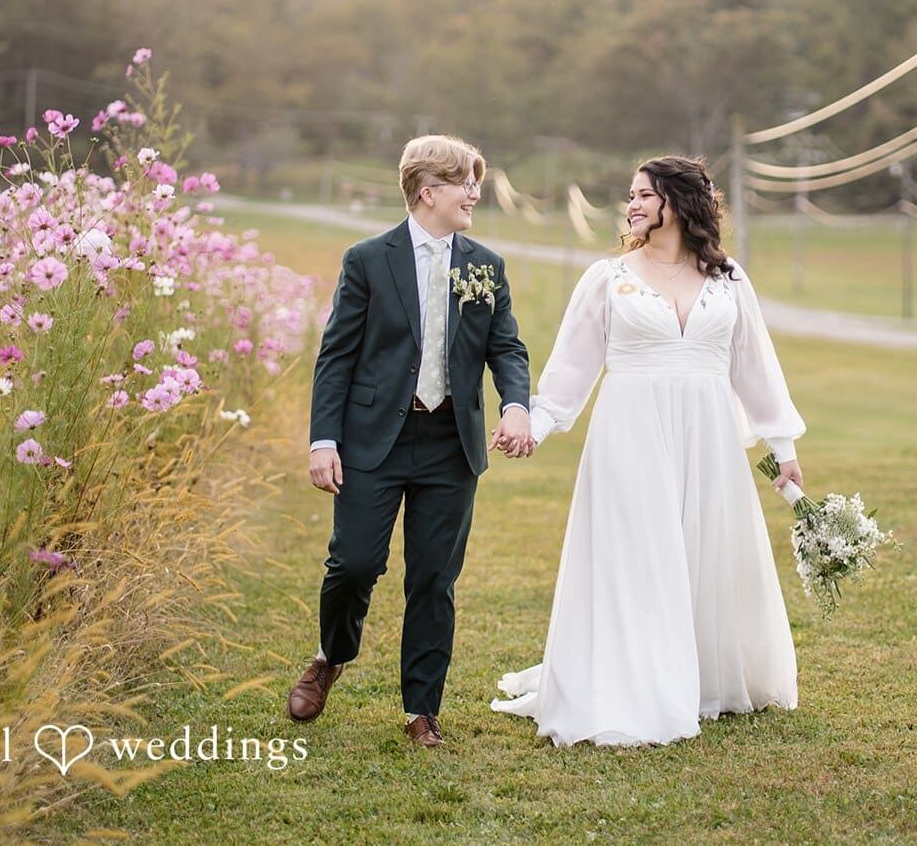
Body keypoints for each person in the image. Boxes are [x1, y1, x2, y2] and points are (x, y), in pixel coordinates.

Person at [490, 155, 806, 747]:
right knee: (637, 554)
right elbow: (570, 370)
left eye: (643, 195)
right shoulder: (608, 278)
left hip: (708, 435)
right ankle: (635, 685)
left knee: (702, 550)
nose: (630, 205)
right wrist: (533, 423)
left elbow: (755, 367)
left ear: (678, 203)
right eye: (630, 195)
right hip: (630, 433)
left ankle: (703, 675)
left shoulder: (728, 279)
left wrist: (781, 446)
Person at [288, 135, 534, 748]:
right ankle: (331, 653)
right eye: (465, 183)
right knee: (354, 564)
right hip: (374, 438)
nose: (476, 192)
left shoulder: (484, 265)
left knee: (432, 579)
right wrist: (324, 440)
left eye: (476, 181)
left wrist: (516, 404)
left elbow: (505, 345)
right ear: (428, 192)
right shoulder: (368, 260)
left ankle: (421, 709)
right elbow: (336, 357)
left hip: (452, 443)